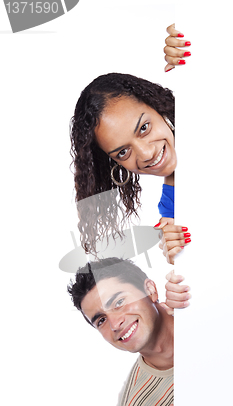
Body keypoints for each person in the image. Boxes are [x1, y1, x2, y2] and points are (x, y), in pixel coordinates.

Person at [70, 27, 192, 264]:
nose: (146, 153)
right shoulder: (171, 209)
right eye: (123, 152)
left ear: (158, 106)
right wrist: (180, 258)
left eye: (144, 128)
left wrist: (193, 52)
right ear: (114, 163)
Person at [67, 257, 195, 406]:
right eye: (101, 321)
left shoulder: (199, 303)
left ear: (150, 290)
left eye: (118, 302)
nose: (115, 324)